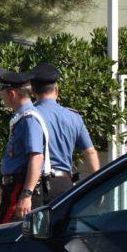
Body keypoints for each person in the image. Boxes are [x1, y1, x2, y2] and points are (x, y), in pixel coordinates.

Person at [31, 63, 99, 199]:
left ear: (33, 91)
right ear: (56, 90)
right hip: (65, 185)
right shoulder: (74, 117)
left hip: (37, 186)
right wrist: (98, 187)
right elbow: (90, 152)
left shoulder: (30, 116)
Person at [0, 68, 49, 224]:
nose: (1, 96)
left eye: (2, 91)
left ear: (12, 93)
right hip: (14, 188)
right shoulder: (22, 117)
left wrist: (26, 195)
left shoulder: (29, 119)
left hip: (19, 189)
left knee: (4, 238)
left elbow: (37, 157)